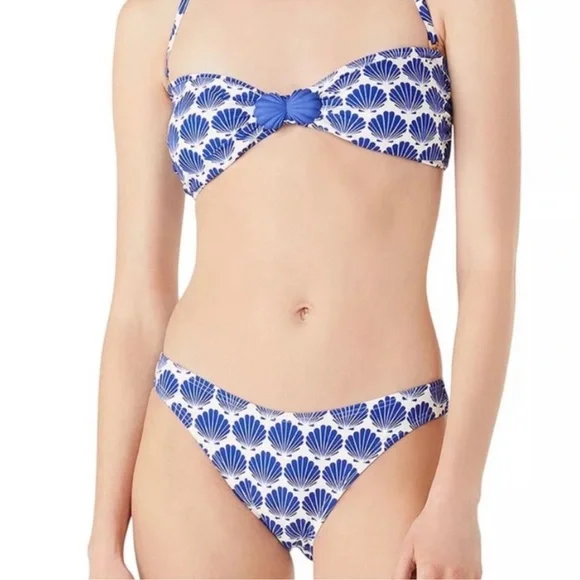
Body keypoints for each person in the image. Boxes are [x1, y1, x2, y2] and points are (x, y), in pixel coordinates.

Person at [88, 0, 520, 578]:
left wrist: (458, 497)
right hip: (198, 426)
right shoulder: (158, 20)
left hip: (387, 432)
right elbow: (138, 301)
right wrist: (103, 540)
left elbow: (489, 267)